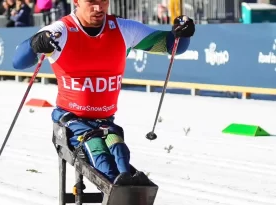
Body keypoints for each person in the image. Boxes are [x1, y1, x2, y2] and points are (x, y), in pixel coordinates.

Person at [12, 0, 195, 185]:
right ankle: (116, 184)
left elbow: (173, 46)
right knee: (97, 149)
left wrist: (182, 32)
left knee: (119, 147)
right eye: (91, 2)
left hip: (105, 121)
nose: (99, 8)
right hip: (71, 120)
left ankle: (124, 181)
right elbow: (18, 62)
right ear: (76, 1)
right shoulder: (61, 31)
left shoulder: (123, 29)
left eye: (104, 1)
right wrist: (35, 43)